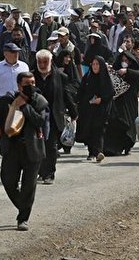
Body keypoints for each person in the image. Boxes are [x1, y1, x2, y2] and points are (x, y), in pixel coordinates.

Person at [0, 72, 49, 231]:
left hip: (32, 149)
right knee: (8, 181)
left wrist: (24, 106)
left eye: (33, 83)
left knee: (29, 185)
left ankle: (23, 218)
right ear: (19, 85)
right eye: (27, 84)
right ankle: (23, 205)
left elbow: (40, 120)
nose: (30, 86)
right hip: (12, 149)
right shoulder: (7, 100)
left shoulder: (39, 101)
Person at [33, 49, 78, 184]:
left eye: (45, 61)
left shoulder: (60, 76)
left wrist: (73, 112)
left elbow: (66, 95)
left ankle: (49, 173)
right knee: (38, 146)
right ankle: (41, 172)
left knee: (51, 146)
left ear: (50, 61)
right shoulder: (31, 76)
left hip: (53, 116)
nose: (42, 64)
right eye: (40, 62)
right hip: (36, 117)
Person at [75, 56, 115, 162]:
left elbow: (110, 93)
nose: (95, 66)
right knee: (90, 130)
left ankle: (98, 152)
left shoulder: (105, 78)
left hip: (101, 110)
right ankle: (91, 152)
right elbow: (81, 92)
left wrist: (101, 99)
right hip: (88, 109)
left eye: (97, 64)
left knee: (99, 131)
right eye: (93, 64)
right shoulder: (87, 77)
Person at [104, 51, 139, 156]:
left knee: (129, 123)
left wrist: (127, 71)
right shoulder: (116, 70)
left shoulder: (133, 70)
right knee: (117, 122)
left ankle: (127, 145)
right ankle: (114, 148)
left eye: (126, 61)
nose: (124, 62)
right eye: (122, 61)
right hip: (118, 101)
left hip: (130, 101)